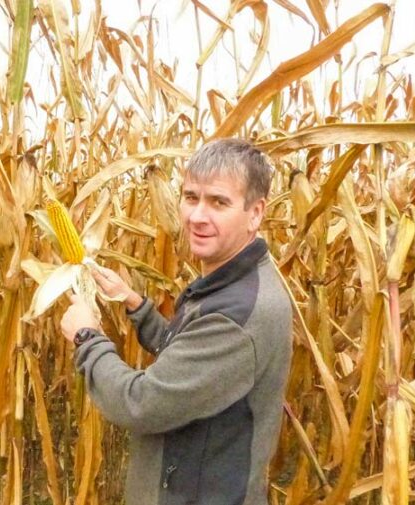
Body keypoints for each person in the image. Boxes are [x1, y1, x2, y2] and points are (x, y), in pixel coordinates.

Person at [60, 138, 293, 505]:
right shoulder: (231, 283)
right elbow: (189, 354)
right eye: (190, 197)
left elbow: (141, 403)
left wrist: (87, 338)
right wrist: (134, 304)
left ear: (255, 213)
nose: (197, 217)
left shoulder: (238, 315)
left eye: (219, 202)